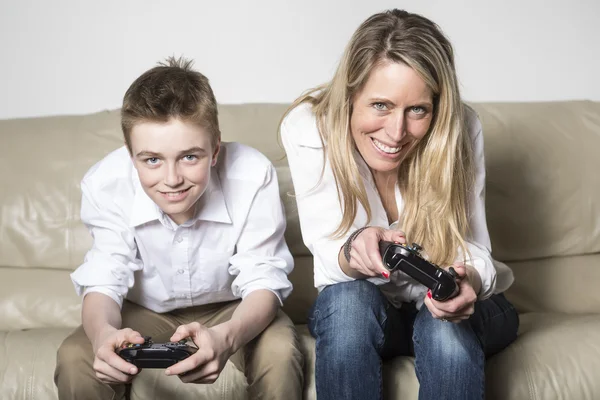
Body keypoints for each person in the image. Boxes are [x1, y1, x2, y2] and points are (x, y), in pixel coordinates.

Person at [281, 9, 518, 400]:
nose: (396, 132)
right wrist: (354, 250)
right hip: (369, 313)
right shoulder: (309, 128)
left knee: (443, 326)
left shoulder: (460, 128)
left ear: (437, 109)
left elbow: (474, 252)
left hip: (466, 310)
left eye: (418, 110)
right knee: (346, 303)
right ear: (350, 95)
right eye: (380, 105)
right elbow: (328, 261)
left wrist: (467, 283)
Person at [54, 56, 303, 400]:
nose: (172, 180)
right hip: (143, 311)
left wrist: (227, 337)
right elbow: (104, 279)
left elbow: (264, 278)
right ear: (130, 154)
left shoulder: (252, 174)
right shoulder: (104, 183)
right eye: (152, 159)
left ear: (215, 149)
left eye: (190, 157)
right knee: (75, 357)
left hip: (231, 306)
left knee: (280, 351)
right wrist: (101, 337)